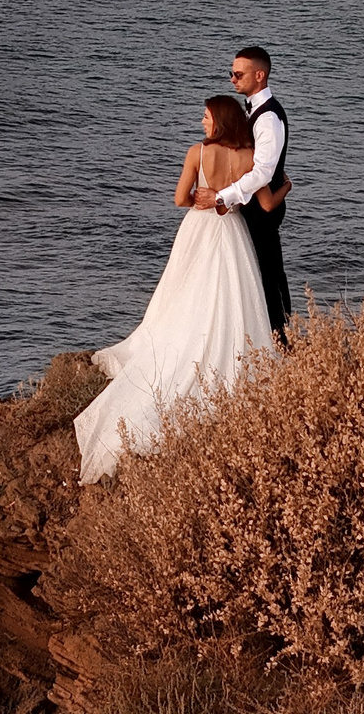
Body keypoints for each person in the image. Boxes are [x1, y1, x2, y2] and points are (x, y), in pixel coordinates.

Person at [73, 94, 275, 483]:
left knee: (184, 295)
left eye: (206, 117)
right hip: (233, 231)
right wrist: (284, 189)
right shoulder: (250, 157)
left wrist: (202, 197)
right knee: (233, 295)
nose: (202, 122)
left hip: (199, 230)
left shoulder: (197, 153)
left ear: (219, 121)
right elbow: (262, 203)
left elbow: (180, 198)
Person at [195, 46, 293, 336]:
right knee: (253, 272)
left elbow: (262, 172)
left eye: (238, 74)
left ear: (259, 75)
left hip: (264, 209)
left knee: (267, 273)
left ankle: (281, 338)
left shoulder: (268, 118)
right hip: (251, 205)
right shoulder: (250, 113)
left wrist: (222, 196)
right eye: (231, 73)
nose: (232, 80)